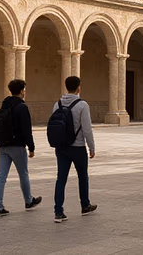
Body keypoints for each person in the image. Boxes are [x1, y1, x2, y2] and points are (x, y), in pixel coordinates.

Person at [0, 79, 42, 217]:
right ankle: (28, 201)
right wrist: (31, 147)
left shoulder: (4, 105)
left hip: (2, 145)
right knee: (23, 174)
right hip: (16, 146)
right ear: (21, 91)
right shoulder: (22, 107)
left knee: (1, 176)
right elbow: (26, 130)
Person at [53, 76, 97, 223]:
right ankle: (85, 205)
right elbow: (87, 128)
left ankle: (58, 212)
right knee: (83, 177)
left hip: (61, 148)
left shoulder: (57, 104)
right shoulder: (82, 105)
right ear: (78, 88)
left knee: (61, 179)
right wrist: (91, 147)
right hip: (77, 147)